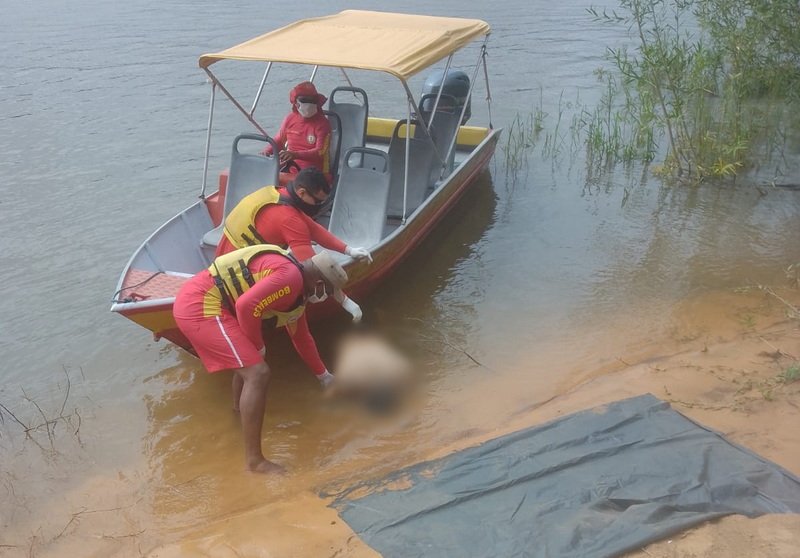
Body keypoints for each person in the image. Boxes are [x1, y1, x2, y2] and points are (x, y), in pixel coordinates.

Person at [173, 245, 354, 474]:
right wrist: (257, 346)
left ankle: (237, 418)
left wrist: (324, 377)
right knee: (258, 373)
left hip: (207, 302)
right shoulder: (290, 279)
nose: (324, 296)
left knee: (248, 367)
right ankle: (255, 462)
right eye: (327, 291)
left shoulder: (296, 285)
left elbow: (301, 336)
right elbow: (246, 306)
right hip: (201, 305)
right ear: (318, 283)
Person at [265, 81, 331, 182]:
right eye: (304, 100)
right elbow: (279, 140)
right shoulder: (290, 119)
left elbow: (320, 152)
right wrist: (266, 152)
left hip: (315, 173)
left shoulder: (323, 124)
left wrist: (295, 154)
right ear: (296, 102)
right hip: (290, 168)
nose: (309, 104)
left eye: (312, 100)